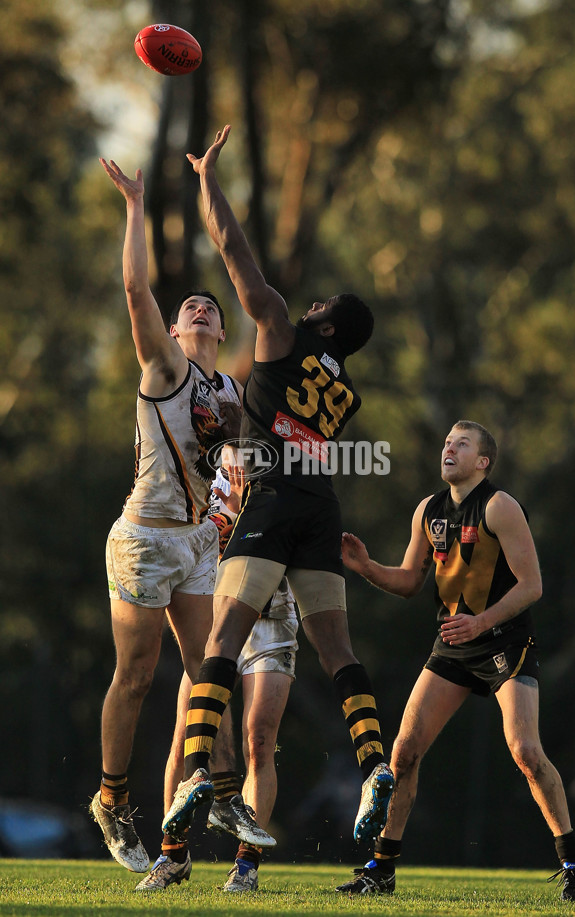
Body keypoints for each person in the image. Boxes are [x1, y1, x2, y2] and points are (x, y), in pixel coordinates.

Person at [161, 124, 393, 848]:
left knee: (221, 640)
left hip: (270, 499)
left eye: (318, 301)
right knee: (339, 651)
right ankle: (376, 763)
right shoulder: (342, 383)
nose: (307, 302)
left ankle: (198, 768)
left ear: (321, 318)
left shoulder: (283, 330)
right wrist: (243, 420)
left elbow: (234, 253)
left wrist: (208, 180)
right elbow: (282, 424)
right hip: (320, 505)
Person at [90, 157, 272, 873]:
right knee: (135, 678)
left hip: (197, 540)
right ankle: (111, 799)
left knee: (210, 672)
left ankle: (226, 793)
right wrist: (136, 205)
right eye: (190, 305)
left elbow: (251, 458)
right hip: (142, 540)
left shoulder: (232, 385)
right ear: (171, 327)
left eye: (211, 307)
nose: (202, 307)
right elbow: (135, 285)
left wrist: (243, 435)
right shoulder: (165, 368)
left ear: (222, 331)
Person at [335, 420, 575, 902]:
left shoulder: (500, 506)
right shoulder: (428, 510)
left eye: (462, 444)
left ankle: (574, 865)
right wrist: (367, 568)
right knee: (404, 752)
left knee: (526, 753)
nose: (449, 448)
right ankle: (381, 870)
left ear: (483, 462)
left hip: (504, 642)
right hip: (454, 643)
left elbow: (532, 586)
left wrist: (481, 622)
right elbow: (411, 581)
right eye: (447, 442)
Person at [135, 457, 299, 893]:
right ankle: (173, 855)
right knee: (186, 736)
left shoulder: (283, 471)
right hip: (215, 622)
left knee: (259, 738)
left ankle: (246, 866)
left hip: (271, 615)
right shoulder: (194, 479)